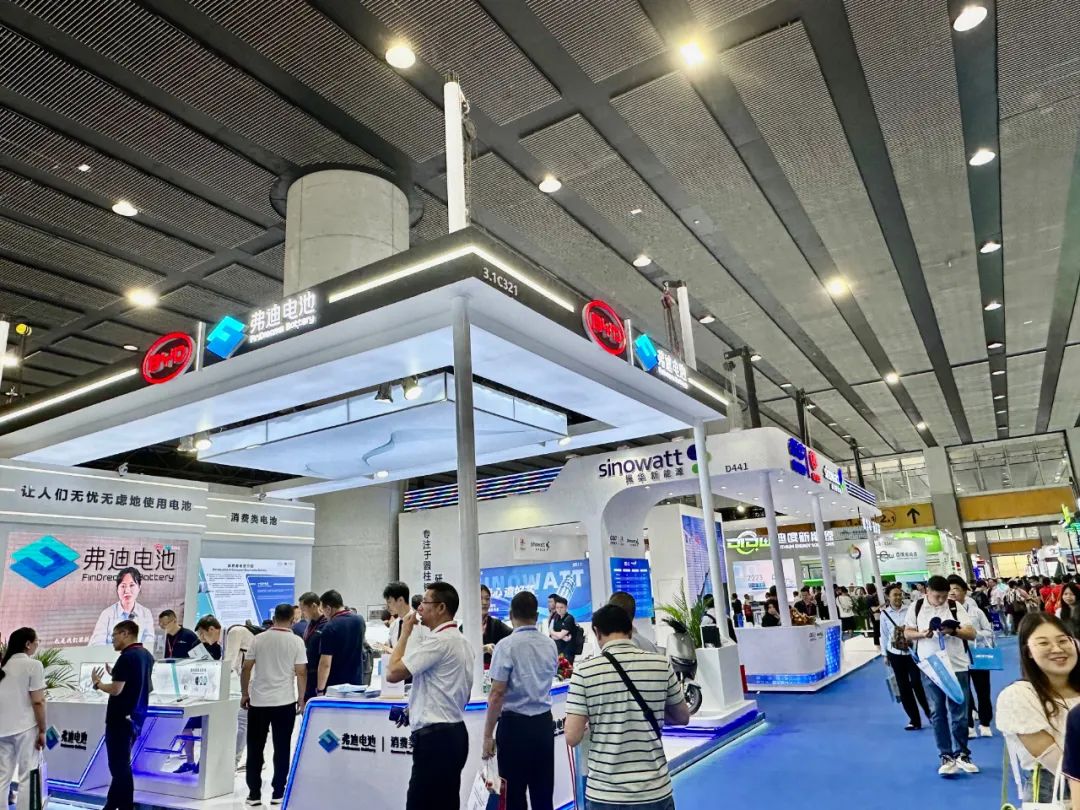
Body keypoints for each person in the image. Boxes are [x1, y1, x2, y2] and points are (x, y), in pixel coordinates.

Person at [565, 604, 690, 810]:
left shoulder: (584, 672)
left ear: (596, 632)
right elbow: (682, 717)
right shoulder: (661, 664)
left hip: (606, 793)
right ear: (630, 629)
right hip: (655, 789)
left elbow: (572, 736)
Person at [384, 582, 475, 810]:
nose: (420, 607)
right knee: (445, 802)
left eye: (425, 602)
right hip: (454, 733)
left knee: (420, 804)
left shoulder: (439, 641)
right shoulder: (462, 641)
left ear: (441, 607)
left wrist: (405, 633)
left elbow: (393, 673)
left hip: (436, 741)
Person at [481, 591, 559, 810]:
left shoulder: (505, 646)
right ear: (536, 615)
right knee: (543, 793)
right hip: (543, 725)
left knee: (513, 795)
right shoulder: (550, 644)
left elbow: (497, 694)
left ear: (511, 614)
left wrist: (487, 735)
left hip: (514, 727)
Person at [999, 613, 1080, 804]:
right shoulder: (1018, 696)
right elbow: (1058, 764)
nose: (1057, 649)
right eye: (1043, 643)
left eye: (1063, 640)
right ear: (1027, 651)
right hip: (1056, 795)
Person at [904, 575, 978, 776]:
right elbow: (907, 633)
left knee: (960, 711)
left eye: (944, 596)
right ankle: (946, 755)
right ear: (927, 591)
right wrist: (922, 634)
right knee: (937, 711)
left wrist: (953, 631)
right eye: (937, 596)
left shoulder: (954, 606)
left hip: (957, 665)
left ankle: (962, 753)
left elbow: (971, 633)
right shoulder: (916, 607)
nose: (941, 600)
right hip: (931, 667)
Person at [241, 602, 307, 807]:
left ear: (274, 617)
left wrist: (245, 693)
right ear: (293, 620)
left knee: (255, 748)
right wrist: (301, 698)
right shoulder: (296, 641)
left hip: (258, 702)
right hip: (284, 702)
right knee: (282, 748)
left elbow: (246, 668)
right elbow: (301, 672)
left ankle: (254, 794)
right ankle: (278, 791)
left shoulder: (258, 639)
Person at [91, 620, 154, 810]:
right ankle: (111, 805)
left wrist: (98, 684)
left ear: (125, 633)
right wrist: (116, 674)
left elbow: (116, 689)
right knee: (121, 765)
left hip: (120, 719)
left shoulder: (126, 657)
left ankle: (126, 806)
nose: (112, 639)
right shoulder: (146, 655)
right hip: (136, 717)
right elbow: (145, 686)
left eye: (114, 635)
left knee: (119, 768)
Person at [0, 628, 46, 809]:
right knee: (27, 775)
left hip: (2, 729)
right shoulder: (33, 665)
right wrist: (42, 730)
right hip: (26, 728)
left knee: (2, 776)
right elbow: (38, 701)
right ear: (28, 644)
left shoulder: (3, 667)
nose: (37, 645)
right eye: (36, 641)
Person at [948, 575, 995, 738]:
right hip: (957, 658)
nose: (952, 593)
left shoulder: (976, 612)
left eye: (956, 589)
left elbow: (989, 632)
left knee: (983, 691)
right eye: (949, 590)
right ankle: (968, 725)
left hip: (978, 655)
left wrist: (974, 635)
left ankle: (985, 723)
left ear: (964, 591)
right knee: (963, 693)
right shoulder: (945, 613)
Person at [880, 584, 929, 730]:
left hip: (912, 653)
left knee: (917, 683)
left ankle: (931, 713)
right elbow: (884, 635)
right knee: (903, 687)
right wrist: (885, 654)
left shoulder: (910, 609)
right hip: (895, 654)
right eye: (894, 595)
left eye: (899, 594)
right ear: (888, 597)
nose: (897, 597)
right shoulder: (884, 614)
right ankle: (914, 720)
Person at [90, 567, 155, 648]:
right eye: (123, 586)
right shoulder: (107, 614)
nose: (127, 591)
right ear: (117, 589)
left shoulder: (146, 613)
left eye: (131, 585)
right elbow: (97, 644)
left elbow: (149, 644)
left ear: (139, 588)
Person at [316, 589, 365, 694]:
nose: (323, 615)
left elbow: (325, 664)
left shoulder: (329, 627)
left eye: (322, 610)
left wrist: (320, 690)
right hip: (357, 683)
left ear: (328, 608)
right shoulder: (360, 620)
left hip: (336, 687)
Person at [225, 623, 256, 768]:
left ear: (211, 629)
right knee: (249, 723)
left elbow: (229, 661)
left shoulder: (235, 632)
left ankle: (234, 762)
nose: (201, 637)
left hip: (250, 685)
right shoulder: (243, 633)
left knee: (244, 723)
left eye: (202, 633)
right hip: (254, 684)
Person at [481, 584, 512, 666]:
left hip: (494, 671)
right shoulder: (464, 627)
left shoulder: (496, 624)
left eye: (487, 599)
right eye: (480, 599)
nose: (484, 602)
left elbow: (514, 635)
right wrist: (484, 649)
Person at [549, 595, 578, 664]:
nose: (559, 609)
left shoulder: (569, 618)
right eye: (557, 607)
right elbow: (552, 635)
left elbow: (559, 635)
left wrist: (554, 633)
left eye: (561, 607)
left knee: (566, 669)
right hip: (558, 651)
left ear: (566, 607)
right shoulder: (556, 618)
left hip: (567, 652)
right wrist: (562, 637)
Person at [866, 583, 881, 647]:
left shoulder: (870, 597)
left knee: (876, 629)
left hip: (874, 615)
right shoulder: (870, 598)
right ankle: (877, 644)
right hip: (875, 615)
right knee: (876, 629)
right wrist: (882, 604)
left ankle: (877, 644)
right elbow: (874, 609)